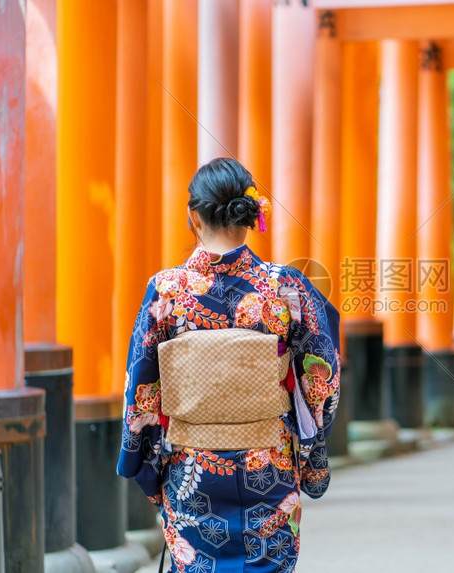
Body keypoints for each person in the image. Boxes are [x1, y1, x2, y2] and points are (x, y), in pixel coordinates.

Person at [117, 158, 340, 572]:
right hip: (268, 470)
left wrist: (149, 470)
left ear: (193, 217)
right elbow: (321, 380)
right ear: (251, 215)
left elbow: (142, 391)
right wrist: (310, 453)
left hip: (192, 472)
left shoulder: (166, 290)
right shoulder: (285, 286)